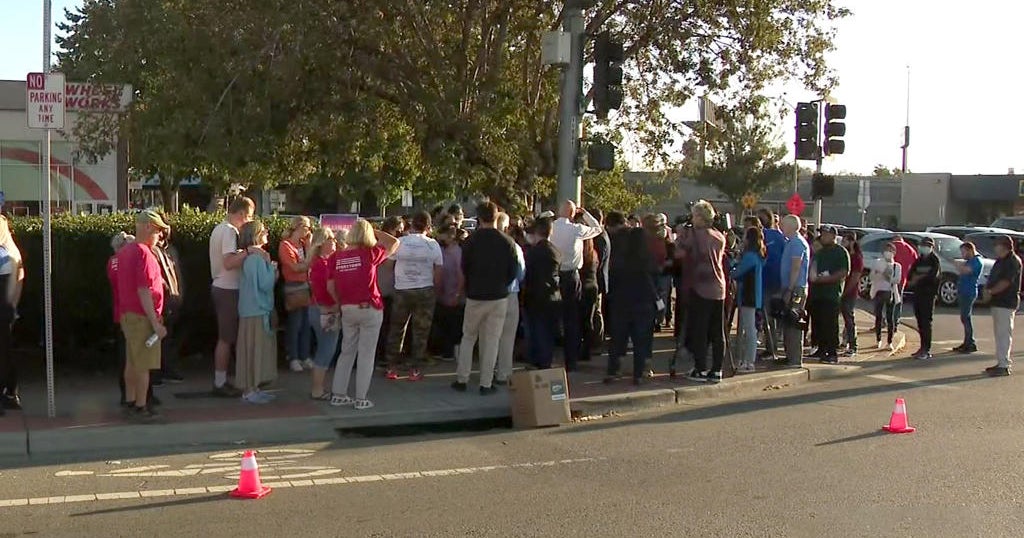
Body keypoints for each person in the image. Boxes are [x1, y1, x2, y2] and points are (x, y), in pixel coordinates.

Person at [327, 220, 400, 409]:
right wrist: (373, 230)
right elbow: (394, 243)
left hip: (347, 308)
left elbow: (330, 285)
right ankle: (361, 398)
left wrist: (339, 302)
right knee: (366, 355)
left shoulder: (337, 257)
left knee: (346, 352)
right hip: (369, 308)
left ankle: (339, 394)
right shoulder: (369, 254)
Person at [453, 202, 518, 394]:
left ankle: (462, 378)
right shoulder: (507, 242)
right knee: (492, 340)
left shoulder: (471, 241)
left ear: (479, 218)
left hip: (475, 295)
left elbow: (464, 268)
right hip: (498, 296)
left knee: (468, 337)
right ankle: (486, 383)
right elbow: (513, 271)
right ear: (496, 217)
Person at [117, 210, 169, 421]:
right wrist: (155, 321)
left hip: (128, 314)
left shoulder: (125, 251)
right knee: (143, 364)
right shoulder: (144, 253)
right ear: (148, 227)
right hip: (142, 316)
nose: (160, 237)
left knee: (131, 361)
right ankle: (141, 406)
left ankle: (130, 401)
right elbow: (144, 289)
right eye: (158, 231)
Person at [385, 211, 443, 381]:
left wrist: (394, 281)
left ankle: (392, 366)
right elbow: (439, 269)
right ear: (428, 226)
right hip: (425, 289)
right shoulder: (433, 245)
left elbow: (389, 265)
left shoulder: (400, 242)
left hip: (402, 289)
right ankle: (415, 368)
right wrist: (435, 289)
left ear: (411, 224)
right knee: (421, 331)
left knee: (397, 328)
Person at [208, 196, 256, 397]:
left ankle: (224, 379)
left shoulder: (219, 228)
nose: (249, 221)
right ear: (242, 214)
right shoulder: (229, 231)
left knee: (227, 337)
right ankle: (220, 383)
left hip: (222, 286)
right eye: (249, 217)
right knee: (226, 337)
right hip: (228, 288)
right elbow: (228, 262)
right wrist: (249, 252)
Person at [676, 200, 727, 383]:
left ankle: (700, 368)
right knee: (717, 330)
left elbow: (679, 252)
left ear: (699, 217)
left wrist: (681, 234)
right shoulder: (719, 236)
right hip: (719, 286)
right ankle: (717, 369)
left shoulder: (695, 235)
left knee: (700, 330)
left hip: (700, 286)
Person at [604, 212, 659, 384]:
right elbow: (652, 271)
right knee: (641, 337)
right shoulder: (642, 246)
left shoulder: (616, 246)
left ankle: (614, 369)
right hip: (643, 297)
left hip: (620, 297)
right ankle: (638, 373)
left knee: (618, 336)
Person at [550, 200, 603, 372]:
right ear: (573, 213)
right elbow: (597, 228)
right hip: (572, 275)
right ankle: (570, 360)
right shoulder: (576, 230)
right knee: (571, 319)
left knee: (553, 317)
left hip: (554, 274)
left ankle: (549, 358)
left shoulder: (551, 228)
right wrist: (586, 214)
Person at [236, 220, 278, 404]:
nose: (267, 233)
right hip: (257, 310)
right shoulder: (257, 259)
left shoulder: (250, 258)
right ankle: (250, 389)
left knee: (251, 350)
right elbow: (265, 284)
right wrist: (273, 269)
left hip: (249, 310)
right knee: (255, 350)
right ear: (256, 234)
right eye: (264, 231)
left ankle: (253, 388)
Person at [806, 225, 850, 364]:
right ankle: (821, 349)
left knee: (830, 324)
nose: (822, 237)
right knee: (818, 323)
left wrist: (825, 279)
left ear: (833, 236)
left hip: (830, 294)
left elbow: (843, 272)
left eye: (825, 234)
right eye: (822, 234)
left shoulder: (840, 252)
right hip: (817, 293)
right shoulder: (820, 252)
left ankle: (832, 353)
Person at [523, 217, 561, 370]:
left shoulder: (533, 252)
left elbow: (527, 274)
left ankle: (537, 362)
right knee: (548, 333)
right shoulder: (555, 251)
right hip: (552, 296)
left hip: (535, 296)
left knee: (536, 333)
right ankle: (546, 362)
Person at [306, 228, 340, 400]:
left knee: (325, 348)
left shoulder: (318, 262)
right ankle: (317, 389)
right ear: (321, 243)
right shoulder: (320, 264)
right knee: (326, 350)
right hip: (324, 309)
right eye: (330, 239)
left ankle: (319, 387)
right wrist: (335, 306)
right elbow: (322, 289)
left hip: (319, 308)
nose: (334, 241)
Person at [109, 232, 141, 408]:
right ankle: (130, 395)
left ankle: (129, 393)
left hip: (120, 312)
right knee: (130, 357)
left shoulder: (113, 262)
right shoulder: (120, 263)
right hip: (128, 312)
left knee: (127, 356)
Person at [983, 235, 1022, 377]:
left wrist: (991, 291)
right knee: (999, 334)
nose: (995, 247)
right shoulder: (1000, 261)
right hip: (997, 301)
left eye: (997, 245)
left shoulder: (1012, 261)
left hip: (1006, 301)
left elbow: (1006, 281)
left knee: (1004, 334)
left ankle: (1004, 364)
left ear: (1005, 246)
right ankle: (1000, 362)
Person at [279, 216, 314, 373]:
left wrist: (310, 247)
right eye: (307, 227)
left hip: (306, 286)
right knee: (295, 323)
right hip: (293, 286)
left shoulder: (303, 244)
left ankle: (304, 355)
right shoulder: (285, 245)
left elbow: (309, 264)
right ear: (299, 227)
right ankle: (293, 357)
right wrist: (307, 263)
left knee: (306, 323)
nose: (308, 231)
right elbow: (294, 267)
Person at [495, 213, 525, 383]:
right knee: (507, 336)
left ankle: (488, 369)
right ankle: (504, 372)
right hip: (510, 293)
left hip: (488, 294)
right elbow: (520, 273)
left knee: (489, 336)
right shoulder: (514, 247)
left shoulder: (483, 245)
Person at [731, 227, 766, 373]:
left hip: (748, 295)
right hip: (753, 295)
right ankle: (746, 360)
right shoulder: (757, 255)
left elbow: (737, 272)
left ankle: (748, 362)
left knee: (749, 330)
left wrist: (732, 263)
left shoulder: (750, 256)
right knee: (750, 329)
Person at [0, 216, 24, 414]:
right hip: (6, 307)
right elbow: (20, 277)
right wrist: (13, 305)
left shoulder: (5, 252)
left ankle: (8, 393)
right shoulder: (11, 250)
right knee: (6, 351)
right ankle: (10, 393)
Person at [779, 214, 810, 367]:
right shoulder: (790, 242)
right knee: (788, 323)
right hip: (790, 286)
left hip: (796, 288)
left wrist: (790, 289)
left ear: (791, 226)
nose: (781, 227)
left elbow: (796, 267)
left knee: (794, 321)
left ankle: (795, 359)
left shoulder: (797, 243)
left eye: (783, 225)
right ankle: (789, 355)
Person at [757, 208, 786, 360]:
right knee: (768, 316)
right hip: (765, 280)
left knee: (770, 316)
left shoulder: (776, 237)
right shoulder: (764, 236)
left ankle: (772, 349)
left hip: (773, 281)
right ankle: (771, 347)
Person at [434, 224, 465, 362]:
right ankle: (445, 350)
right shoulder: (442, 251)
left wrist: (457, 294)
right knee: (444, 323)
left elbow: (461, 275)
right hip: (443, 294)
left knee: (453, 324)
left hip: (453, 295)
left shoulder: (457, 252)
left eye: (443, 235)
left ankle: (452, 351)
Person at [376, 216, 404, 361]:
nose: (401, 232)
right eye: (398, 229)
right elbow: (388, 265)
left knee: (385, 324)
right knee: (384, 325)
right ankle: (381, 355)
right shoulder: (386, 244)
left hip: (384, 287)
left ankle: (381, 354)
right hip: (384, 288)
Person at [907, 237, 940, 360]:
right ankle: (921, 347)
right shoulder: (919, 260)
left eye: (927, 245)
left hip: (928, 294)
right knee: (920, 321)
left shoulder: (934, 261)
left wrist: (919, 278)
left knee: (926, 321)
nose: (924, 247)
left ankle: (926, 349)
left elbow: (933, 276)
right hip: (918, 293)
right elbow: (911, 274)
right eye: (923, 245)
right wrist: (912, 281)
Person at [870, 243, 901, 350]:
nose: (888, 253)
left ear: (894, 253)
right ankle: (878, 339)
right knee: (878, 316)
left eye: (890, 251)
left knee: (890, 318)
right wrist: (880, 274)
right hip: (879, 291)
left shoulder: (897, 266)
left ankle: (889, 341)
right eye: (886, 250)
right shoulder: (877, 262)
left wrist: (887, 276)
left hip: (890, 292)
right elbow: (872, 276)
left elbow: (897, 280)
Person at [954, 241, 983, 354]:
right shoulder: (969, 261)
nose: (962, 254)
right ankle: (967, 341)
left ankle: (970, 343)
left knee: (966, 318)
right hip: (963, 291)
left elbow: (966, 271)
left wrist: (956, 264)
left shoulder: (976, 261)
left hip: (969, 292)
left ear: (970, 250)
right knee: (964, 317)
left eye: (964, 252)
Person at [840, 233, 863, 356]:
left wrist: (845, 291)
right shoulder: (846, 255)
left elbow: (855, 277)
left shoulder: (857, 258)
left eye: (845, 241)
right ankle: (843, 341)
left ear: (852, 241)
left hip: (850, 292)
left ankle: (853, 345)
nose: (843, 243)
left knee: (849, 319)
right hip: (841, 291)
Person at [890, 235, 918, 323]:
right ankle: (896, 320)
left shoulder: (891, 247)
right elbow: (915, 265)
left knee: (887, 300)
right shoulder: (910, 249)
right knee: (898, 299)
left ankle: (887, 319)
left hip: (888, 277)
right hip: (902, 278)